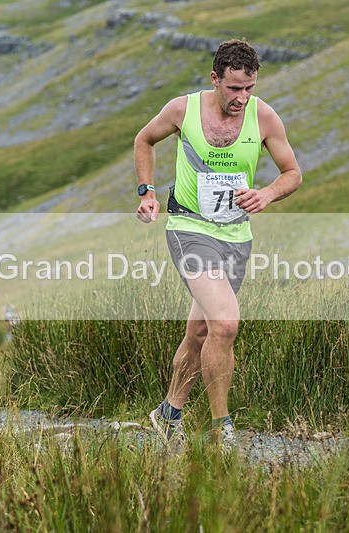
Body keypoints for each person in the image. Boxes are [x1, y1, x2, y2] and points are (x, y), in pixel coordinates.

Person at [134, 39, 302, 451]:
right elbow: (144, 140)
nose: (242, 98)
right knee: (225, 323)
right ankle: (220, 427)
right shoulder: (182, 109)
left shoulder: (264, 117)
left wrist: (266, 194)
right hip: (189, 228)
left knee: (202, 330)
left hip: (236, 236)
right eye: (233, 89)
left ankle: (168, 414)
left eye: (249, 88)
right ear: (215, 79)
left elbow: (292, 173)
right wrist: (147, 192)